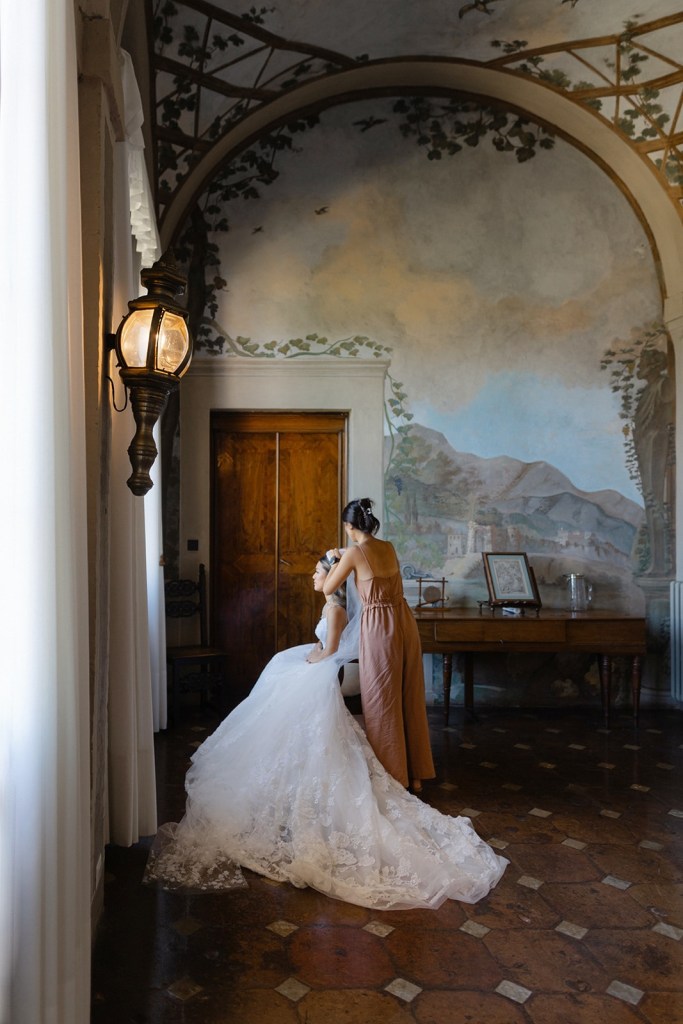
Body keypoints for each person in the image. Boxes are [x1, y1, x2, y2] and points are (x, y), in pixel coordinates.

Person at [144, 552, 507, 910]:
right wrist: (309, 654)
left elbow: (330, 652)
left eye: (317, 572)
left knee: (285, 686)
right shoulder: (328, 609)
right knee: (279, 682)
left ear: (333, 578)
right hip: (318, 668)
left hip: (321, 674)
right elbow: (322, 646)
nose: (312, 578)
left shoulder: (335, 610)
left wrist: (308, 659)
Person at [323, 498, 435, 793]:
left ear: (349, 526)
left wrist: (336, 560)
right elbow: (370, 563)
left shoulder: (354, 553)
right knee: (407, 692)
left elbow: (327, 587)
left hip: (379, 627)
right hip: (403, 620)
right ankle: (416, 775)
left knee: (380, 699)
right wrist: (346, 554)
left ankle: (392, 777)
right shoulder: (387, 547)